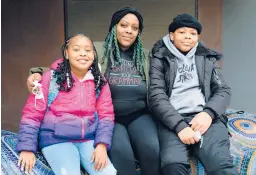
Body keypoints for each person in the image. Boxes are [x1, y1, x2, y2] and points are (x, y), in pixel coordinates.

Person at [26, 7, 160, 175]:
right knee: (121, 152)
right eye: (124, 25)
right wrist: (37, 73)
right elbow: (71, 62)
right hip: (110, 118)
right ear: (114, 27)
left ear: (139, 33)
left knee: (152, 148)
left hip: (139, 114)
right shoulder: (96, 49)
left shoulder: (145, 56)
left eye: (134, 28)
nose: (129, 31)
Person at [149, 14, 238, 175]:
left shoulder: (206, 56)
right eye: (182, 32)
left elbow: (223, 89)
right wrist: (179, 126)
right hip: (172, 120)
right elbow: (156, 96)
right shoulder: (160, 57)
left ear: (197, 37)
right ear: (172, 35)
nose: (188, 37)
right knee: (172, 165)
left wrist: (208, 113)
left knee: (221, 165)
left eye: (193, 33)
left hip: (204, 119)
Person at [17, 34, 117, 175]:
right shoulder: (50, 78)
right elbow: (32, 114)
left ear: (94, 55)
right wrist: (27, 148)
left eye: (87, 50)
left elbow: (106, 115)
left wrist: (101, 145)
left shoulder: (99, 82)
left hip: (88, 140)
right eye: (76, 50)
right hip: (56, 140)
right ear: (67, 53)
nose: (83, 53)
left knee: (108, 173)